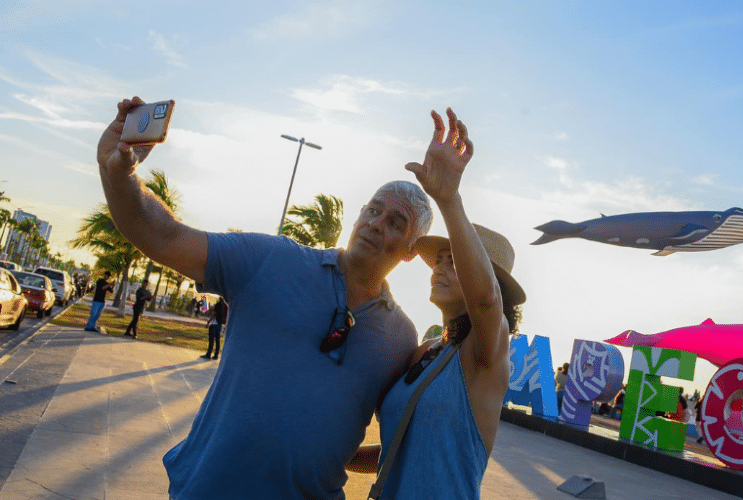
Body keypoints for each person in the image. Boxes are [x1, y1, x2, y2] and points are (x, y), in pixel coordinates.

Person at [96, 96, 434, 500]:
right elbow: (163, 236)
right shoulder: (271, 260)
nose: (377, 225)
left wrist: (330, 452)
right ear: (358, 214)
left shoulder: (400, 338)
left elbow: (399, 440)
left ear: (413, 249)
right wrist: (118, 173)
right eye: (374, 211)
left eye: (396, 222)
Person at [346, 108, 525, 499]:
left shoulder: (486, 355)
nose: (442, 268)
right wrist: (338, 454)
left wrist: (448, 200)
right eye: (441, 260)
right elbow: (402, 448)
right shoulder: (425, 352)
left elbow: (485, 302)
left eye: (456, 262)